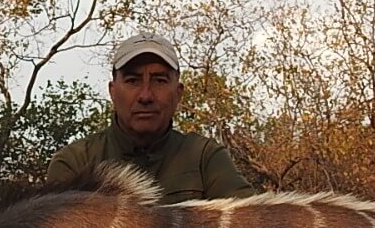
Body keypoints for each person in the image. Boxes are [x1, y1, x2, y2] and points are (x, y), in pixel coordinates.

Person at [46, 33, 256, 203]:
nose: (145, 96)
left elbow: (252, 226)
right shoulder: (74, 163)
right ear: (112, 91)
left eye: (160, 80)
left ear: (178, 93)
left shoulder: (204, 157)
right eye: (132, 80)